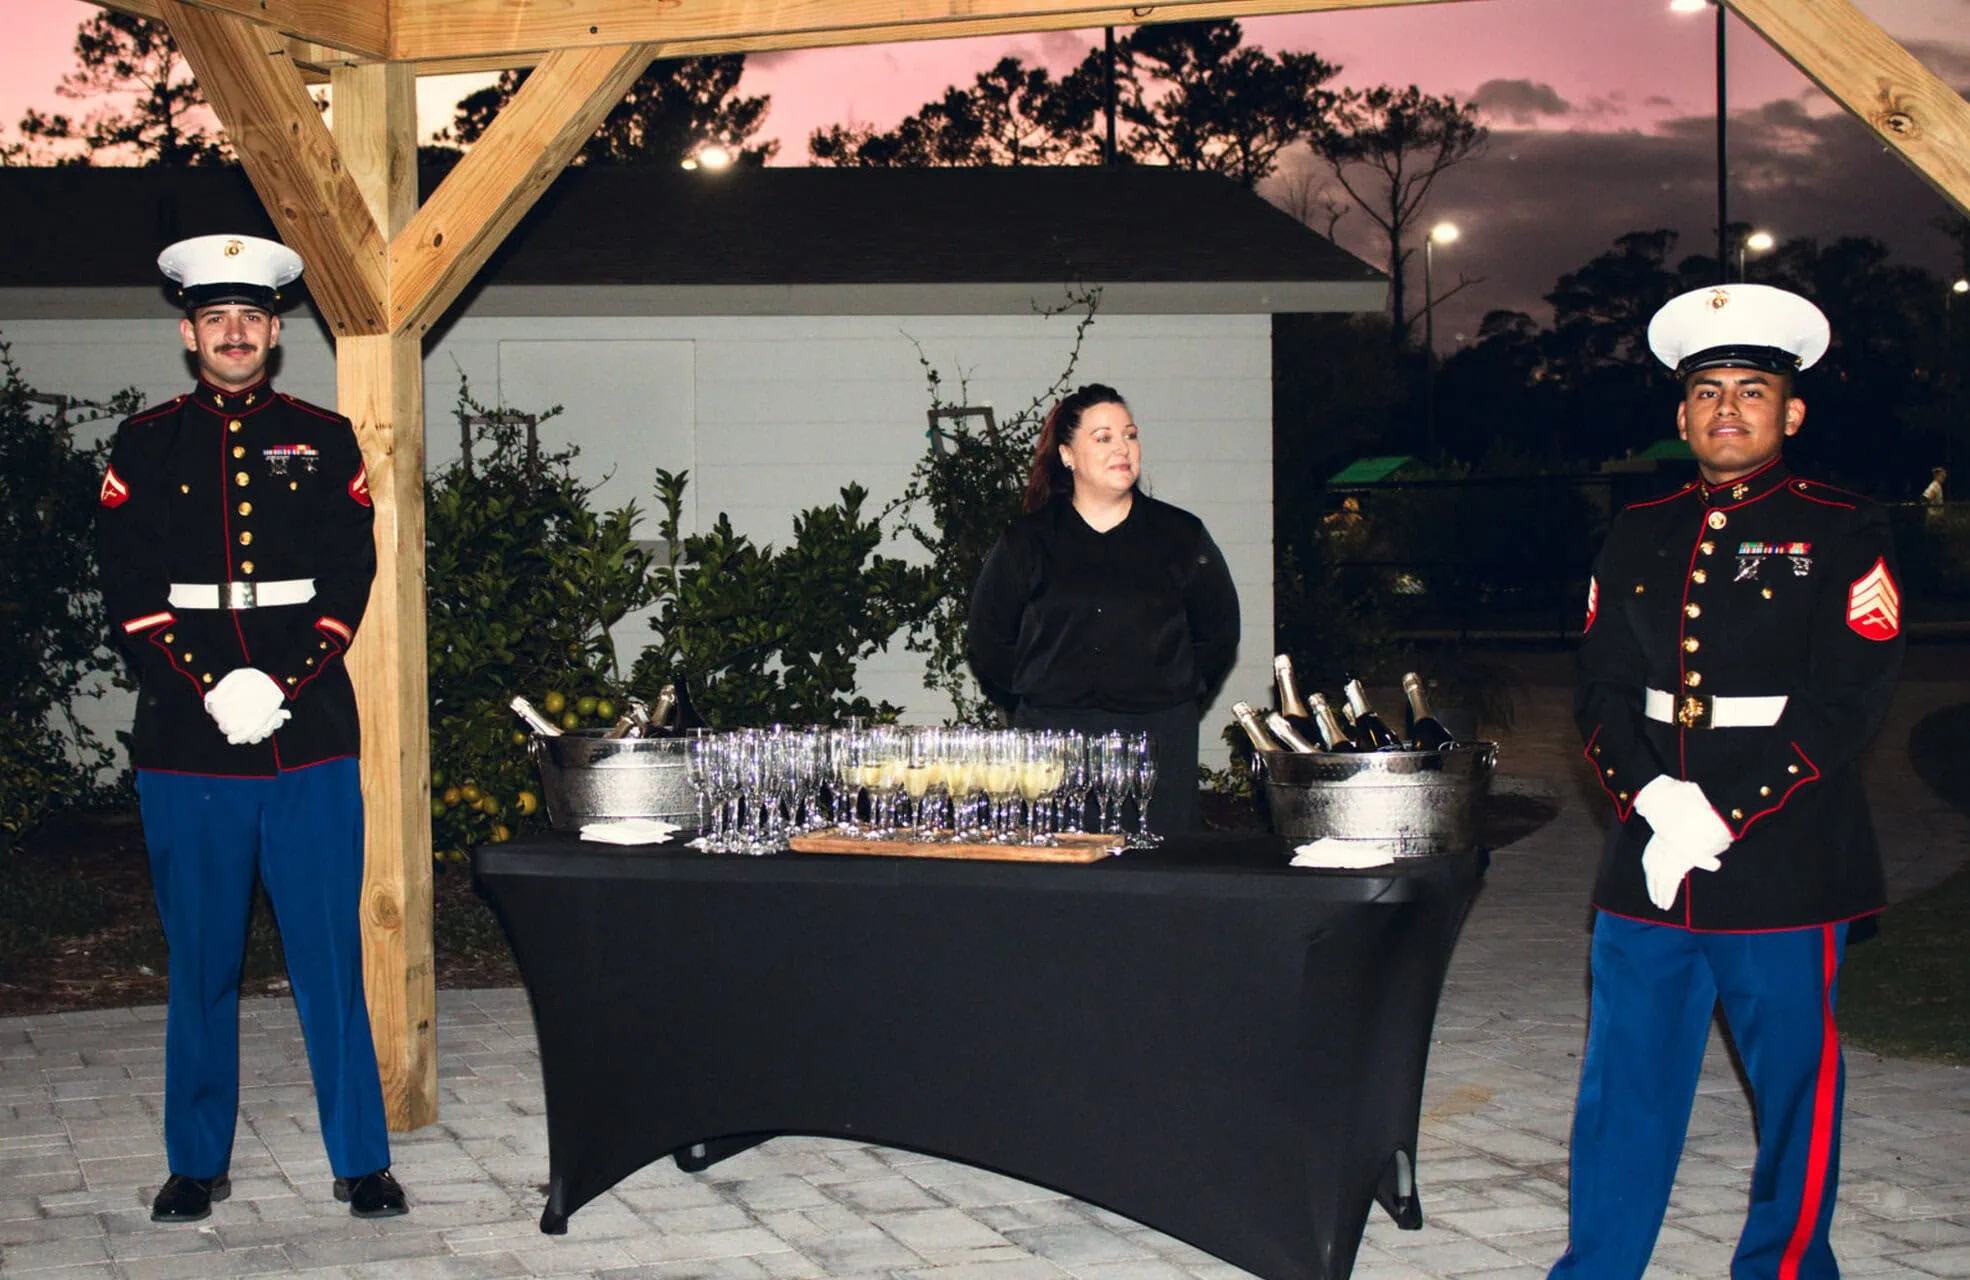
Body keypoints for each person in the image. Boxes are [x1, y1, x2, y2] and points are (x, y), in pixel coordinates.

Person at [1550, 284, 1903, 1279]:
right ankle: (1596, 1268)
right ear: (1681, 415)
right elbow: (1599, 688)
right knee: (1622, 1086)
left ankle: (1786, 1268)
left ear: (1791, 412)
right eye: (1707, 392)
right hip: (1649, 860)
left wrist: (1721, 810)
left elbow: (1847, 698)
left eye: (1752, 390)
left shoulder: (1842, 527)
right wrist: (1653, 798)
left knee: (1795, 1090)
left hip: (1784, 856)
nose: (1727, 409)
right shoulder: (1637, 528)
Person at [96, 235, 408, 1224]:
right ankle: (196, 1161)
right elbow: (129, 586)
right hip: (185, 744)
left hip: (307, 733)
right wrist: (208, 683)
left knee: (329, 959)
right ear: (189, 335)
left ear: (275, 333)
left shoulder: (323, 436)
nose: (234, 334)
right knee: (201, 962)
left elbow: (348, 575)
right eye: (215, 319)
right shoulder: (144, 443)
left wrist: (277, 680)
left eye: (252, 318)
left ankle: (361, 1160)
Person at [965, 383, 1240, 833]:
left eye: (1130, 435)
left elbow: (1218, 632)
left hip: (1157, 743)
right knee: (1058, 869)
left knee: (1159, 869)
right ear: (1067, 455)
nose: (1122, 448)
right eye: (1103, 437)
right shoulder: (1028, 540)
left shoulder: (1180, 535)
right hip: (1054, 745)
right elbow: (988, 636)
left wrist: (1174, 691)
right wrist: (1037, 690)